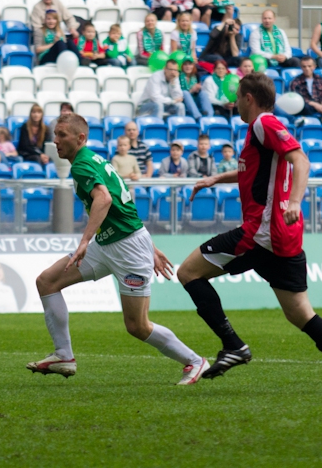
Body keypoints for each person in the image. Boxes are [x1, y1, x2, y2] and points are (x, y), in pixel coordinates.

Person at [176, 72, 322, 392]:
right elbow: (253, 172)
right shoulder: (260, 131)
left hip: (260, 233)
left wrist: (295, 200)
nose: (235, 102)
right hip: (282, 236)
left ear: (249, 99)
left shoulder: (263, 124)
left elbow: (301, 161)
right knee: (300, 314)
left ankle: (233, 345)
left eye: (238, 97)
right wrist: (216, 179)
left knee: (187, 272)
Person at [27, 113, 210, 385]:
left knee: (137, 326)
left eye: (62, 135)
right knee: (47, 281)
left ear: (80, 138)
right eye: (55, 135)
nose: (56, 140)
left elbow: (104, 199)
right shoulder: (95, 160)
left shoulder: (82, 165)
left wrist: (84, 241)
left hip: (126, 250)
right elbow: (125, 207)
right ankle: (64, 355)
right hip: (112, 243)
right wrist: (151, 245)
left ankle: (196, 362)